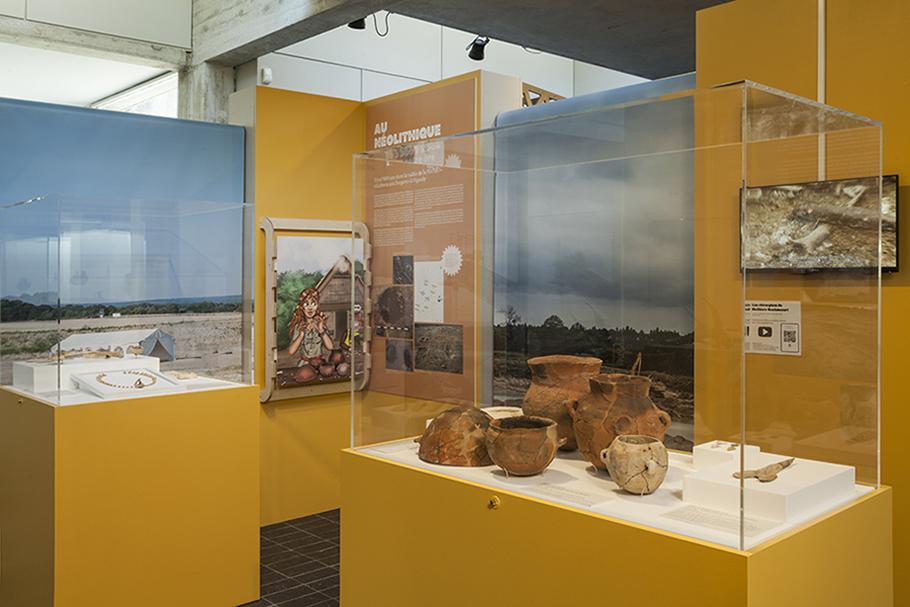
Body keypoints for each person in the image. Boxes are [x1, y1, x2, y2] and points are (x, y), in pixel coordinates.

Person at [287, 288, 334, 381]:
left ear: (317, 306)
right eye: (306, 304)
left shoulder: (320, 324)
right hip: (304, 364)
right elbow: (291, 352)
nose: (310, 308)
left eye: (313, 304)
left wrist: (321, 330)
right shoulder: (299, 326)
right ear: (302, 307)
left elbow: (330, 347)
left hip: (319, 364)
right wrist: (301, 335)